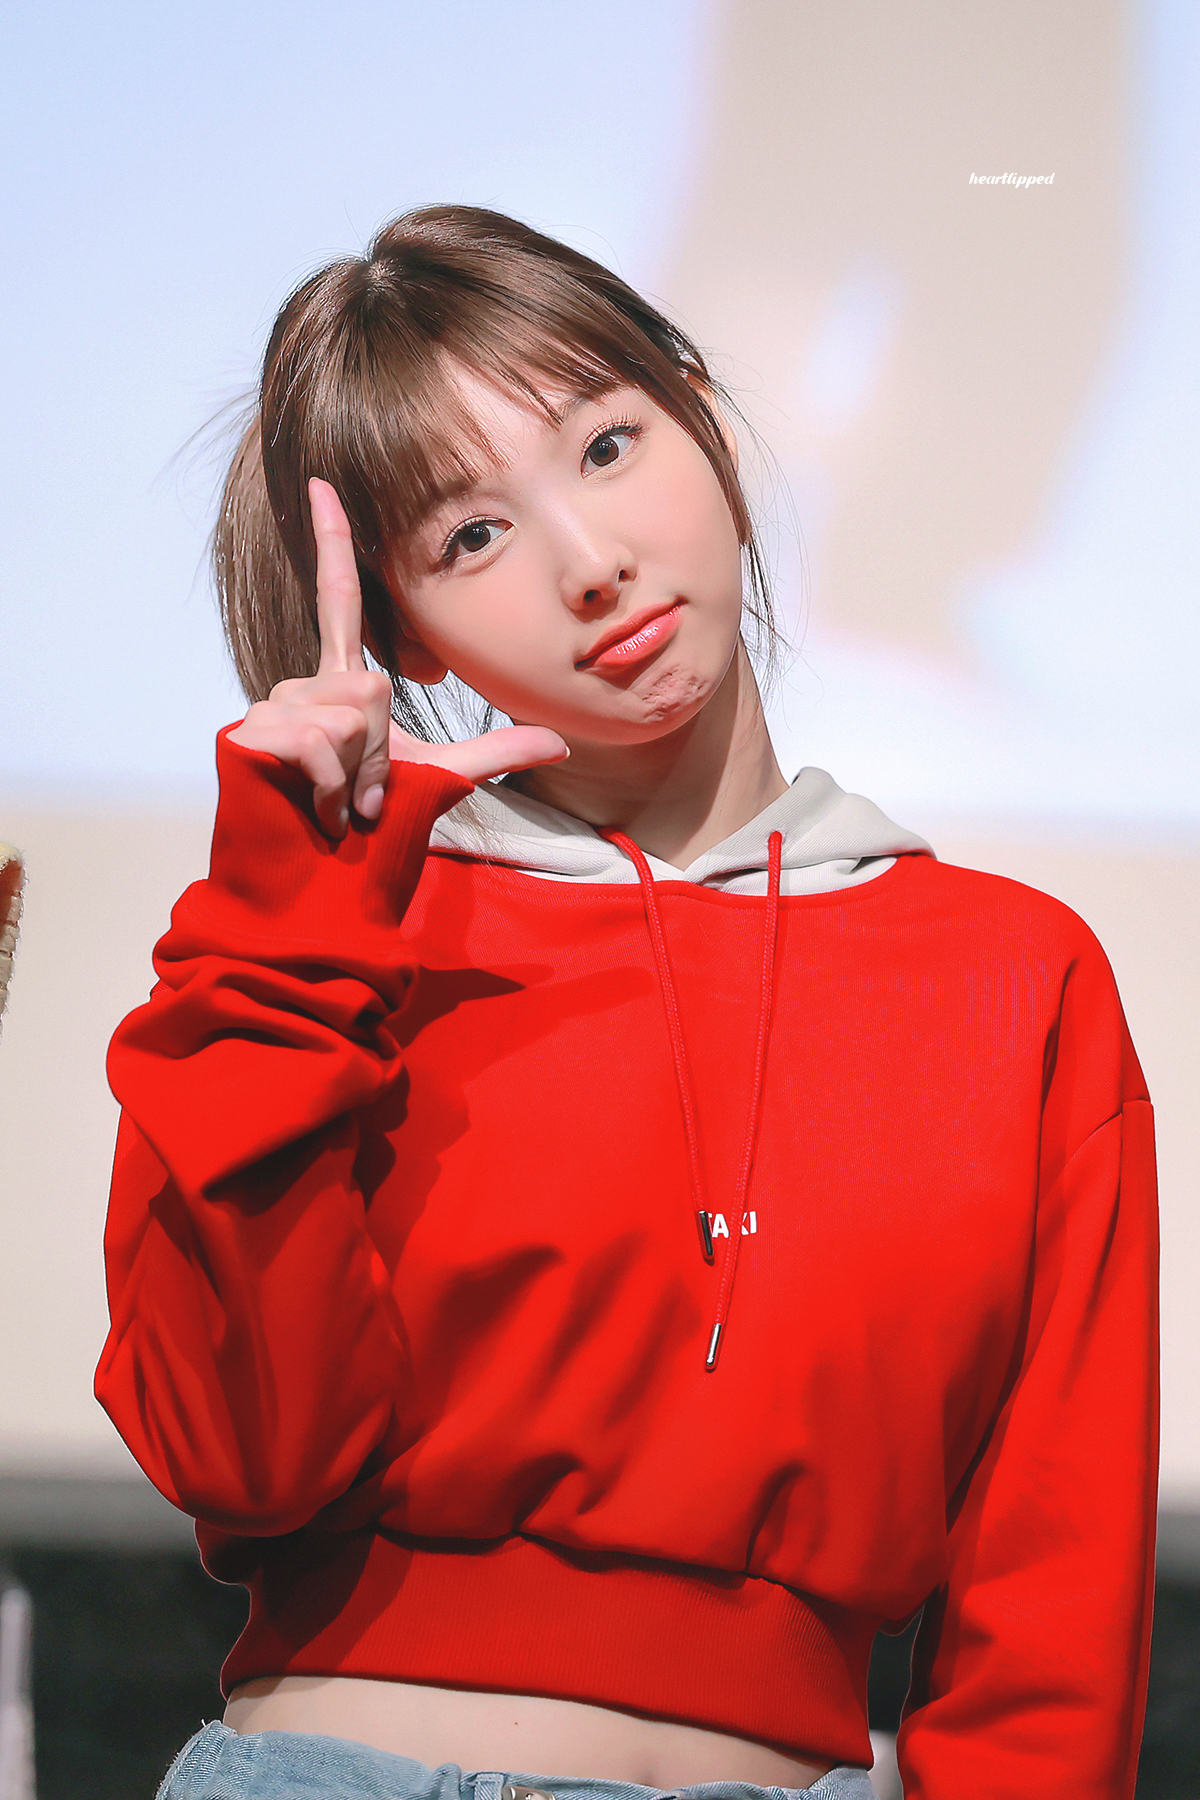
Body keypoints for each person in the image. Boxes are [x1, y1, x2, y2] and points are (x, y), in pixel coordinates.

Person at [95, 205, 1158, 1800]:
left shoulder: (1015, 974)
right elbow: (235, 1456)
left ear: (703, 415)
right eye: (471, 537)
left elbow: (1051, 1617)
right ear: (401, 625)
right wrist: (288, 915)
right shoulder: (328, 947)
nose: (590, 564)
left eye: (605, 446)